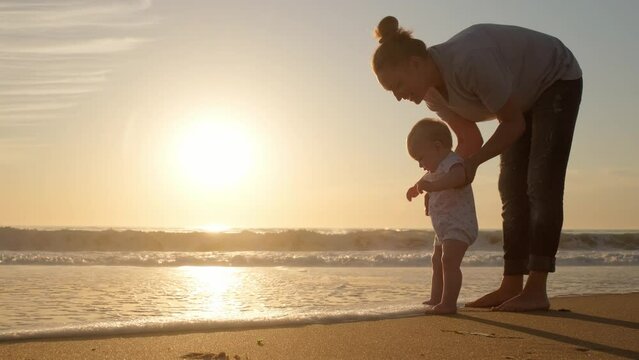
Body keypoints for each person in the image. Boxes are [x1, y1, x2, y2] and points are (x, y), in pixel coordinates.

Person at [372, 16, 583, 311]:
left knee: (541, 184)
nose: (398, 97)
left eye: (397, 85)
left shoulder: (468, 61)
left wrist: (471, 166)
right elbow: (469, 141)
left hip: (554, 77)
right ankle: (511, 286)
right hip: (519, 100)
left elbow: (512, 124)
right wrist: (441, 182)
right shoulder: (433, 96)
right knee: (510, 188)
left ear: (414, 64)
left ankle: (536, 289)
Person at [406, 118, 478, 314]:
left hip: (459, 224)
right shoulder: (436, 168)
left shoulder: (453, 162)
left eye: (421, 158)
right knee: (437, 261)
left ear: (437, 147)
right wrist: (415, 189)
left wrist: (432, 187)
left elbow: (458, 177)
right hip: (443, 228)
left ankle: (449, 303)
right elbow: (424, 181)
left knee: (449, 262)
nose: (421, 165)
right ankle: (436, 297)